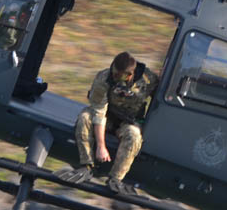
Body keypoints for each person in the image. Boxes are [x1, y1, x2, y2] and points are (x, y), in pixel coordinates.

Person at [56, 51, 161, 195]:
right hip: (107, 117)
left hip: (128, 121)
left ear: (131, 74)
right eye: (115, 73)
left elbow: (161, 96)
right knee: (85, 117)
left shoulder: (148, 79)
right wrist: (101, 146)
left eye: (121, 76)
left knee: (134, 135)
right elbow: (99, 112)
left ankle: (116, 179)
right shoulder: (104, 78)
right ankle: (86, 165)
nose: (116, 78)